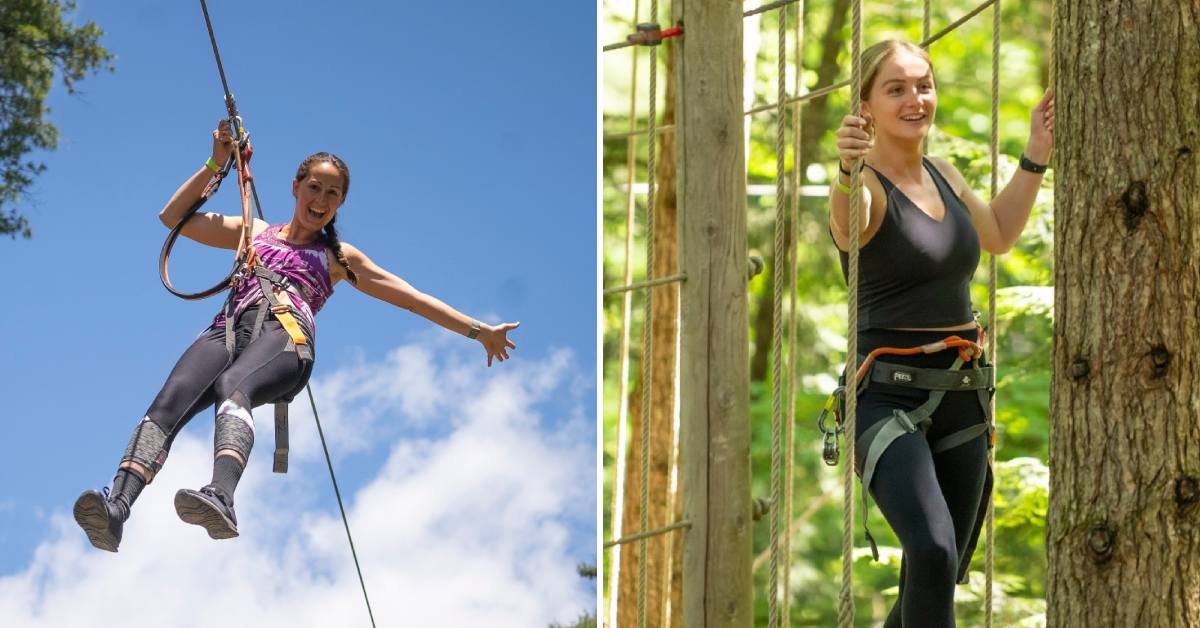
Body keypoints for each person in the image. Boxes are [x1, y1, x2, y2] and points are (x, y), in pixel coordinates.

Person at [73, 119, 519, 551]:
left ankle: (221, 497)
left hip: (284, 336)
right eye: (314, 187)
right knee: (167, 403)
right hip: (227, 329)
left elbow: (414, 298)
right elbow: (174, 217)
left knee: (234, 388)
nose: (321, 198)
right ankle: (117, 509)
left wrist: (478, 331)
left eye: (332, 193)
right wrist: (216, 163)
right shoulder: (253, 231)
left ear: (340, 203)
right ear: (295, 187)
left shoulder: (339, 258)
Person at [828, 40, 1053, 627]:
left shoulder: (944, 174)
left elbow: (1000, 233)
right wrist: (847, 170)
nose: (914, 99)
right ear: (866, 106)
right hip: (887, 397)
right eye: (895, 88)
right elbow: (847, 223)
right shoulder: (867, 188)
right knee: (930, 548)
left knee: (934, 574)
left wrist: (1035, 153)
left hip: (964, 395)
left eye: (923, 85)